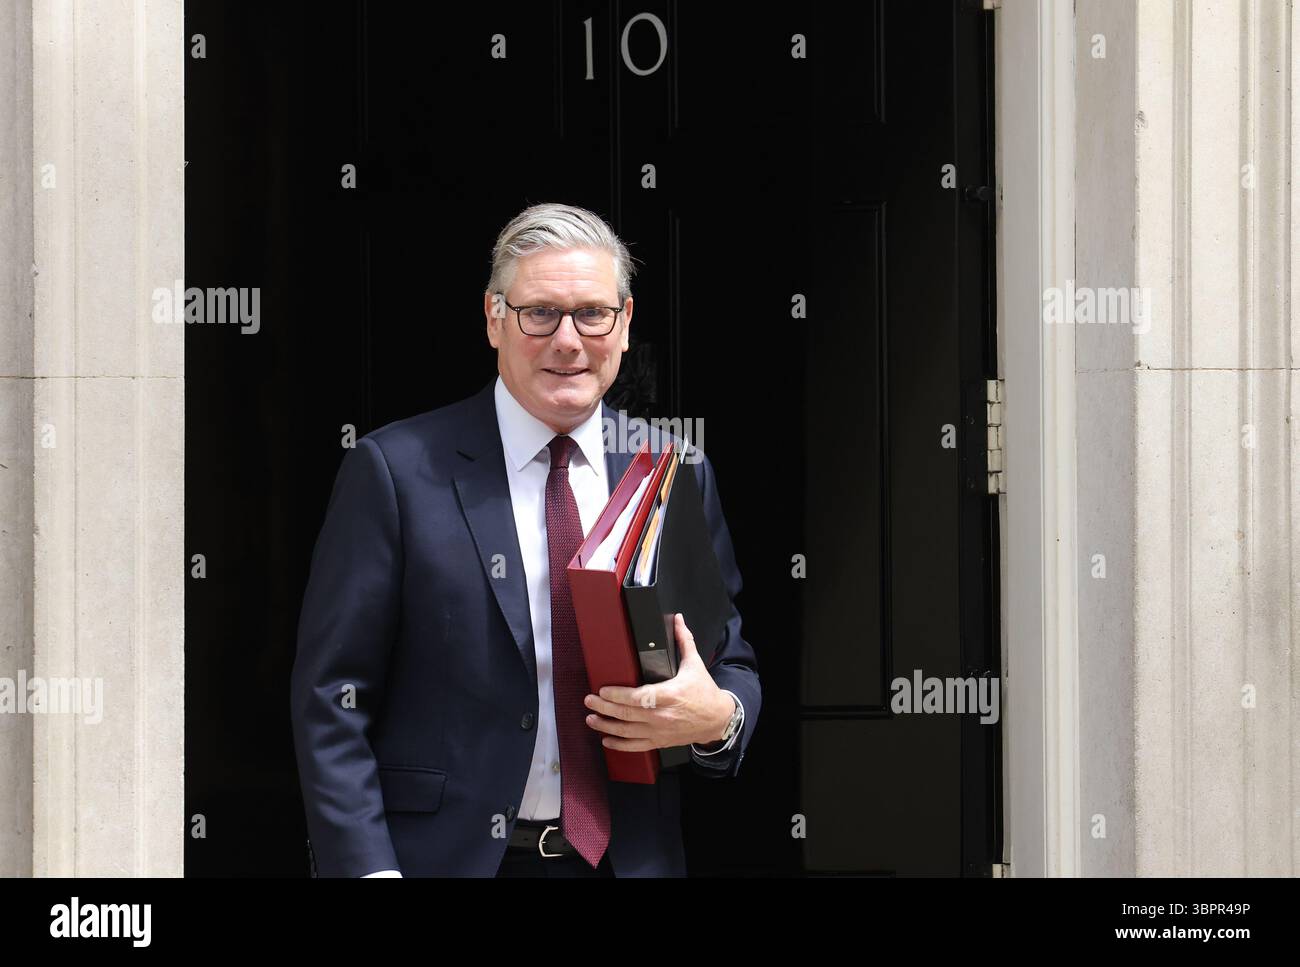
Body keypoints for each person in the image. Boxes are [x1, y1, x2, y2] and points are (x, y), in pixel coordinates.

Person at [289, 202, 760, 877]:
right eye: (540, 312)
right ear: (494, 318)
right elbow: (332, 695)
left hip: (628, 862)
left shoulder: (673, 469)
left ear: (624, 325)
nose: (568, 340)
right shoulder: (395, 472)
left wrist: (719, 716)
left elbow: (729, 660)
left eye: (592, 313)